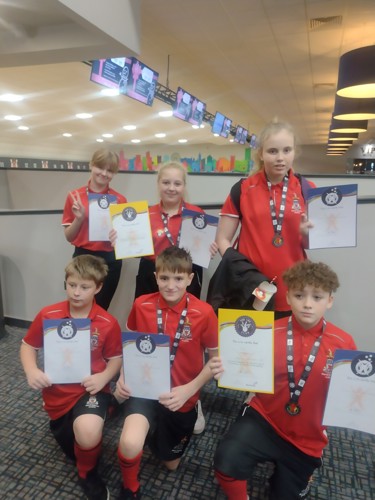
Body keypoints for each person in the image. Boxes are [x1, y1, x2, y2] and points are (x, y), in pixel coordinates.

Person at [211, 260, 357, 500]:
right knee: (226, 462)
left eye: (317, 297)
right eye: (299, 295)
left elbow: (347, 395)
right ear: (288, 297)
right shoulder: (265, 332)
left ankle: (299, 474)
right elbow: (242, 367)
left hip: (308, 436)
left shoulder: (344, 344)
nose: (308, 304)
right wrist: (225, 366)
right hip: (265, 419)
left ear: (329, 300)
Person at [114, 246, 218, 499]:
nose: (171, 285)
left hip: (180, 395)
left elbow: (215, 362)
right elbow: (129, 348)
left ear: (190, 279)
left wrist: (190, 390)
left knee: (170, 463)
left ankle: (159, 432)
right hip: (145, 390)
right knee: (129, 443)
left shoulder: (204, 313)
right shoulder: (141, 305)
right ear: (155, 276)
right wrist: (122, 377)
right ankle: (130, 488)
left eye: (179, 278)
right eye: (164, 278)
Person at [20, 255, 123, 500]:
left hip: (91, 390)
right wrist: (32, 370)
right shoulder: (48, 314)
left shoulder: (108, 322)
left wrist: (104, 377)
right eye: (71, 285)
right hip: (57, 394)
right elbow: (27, 345)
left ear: (98, 287)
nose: (76, 293)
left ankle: (87, 474)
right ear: (65, 283)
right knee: (75, 444)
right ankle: (104, 412)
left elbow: (116, 359)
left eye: (85, 287)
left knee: (87, 434)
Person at [215, 119, 314, 319]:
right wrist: (241, 271)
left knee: (283, 347)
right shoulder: (242, 189)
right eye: (272, 151)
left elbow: (310, 244)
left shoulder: (306, 189)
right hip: (251, 288)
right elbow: (222, 239)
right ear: (261, 153)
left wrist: (306, 235)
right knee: (251, 347)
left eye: (287, 150)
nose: (280, 158)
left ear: (294, 152)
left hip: (293, 288)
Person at [134, 160, 217, 301]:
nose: (171, 188)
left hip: (185, 274)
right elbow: (136, 249)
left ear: (184, 186)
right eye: (166, 183)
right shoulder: (145, 214)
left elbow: (202, 248)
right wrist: (122, 241)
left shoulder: (196, 214)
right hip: (152, 273)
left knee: (186, 318)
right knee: (148, 317)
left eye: (177, 184)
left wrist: (209, 250)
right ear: (158, 184)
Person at [62, 148, 127, 310]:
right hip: (82, 257)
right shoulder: (75, 197)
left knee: (102, 307)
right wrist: (79, 219)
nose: (104, 173)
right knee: (78, 305)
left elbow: (125, 239)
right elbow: (69, 237)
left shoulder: (119, 200)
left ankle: (98, 336)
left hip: (110, 259)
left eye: (110, 170)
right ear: (91, 165)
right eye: (100, 167)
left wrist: (120, 238)